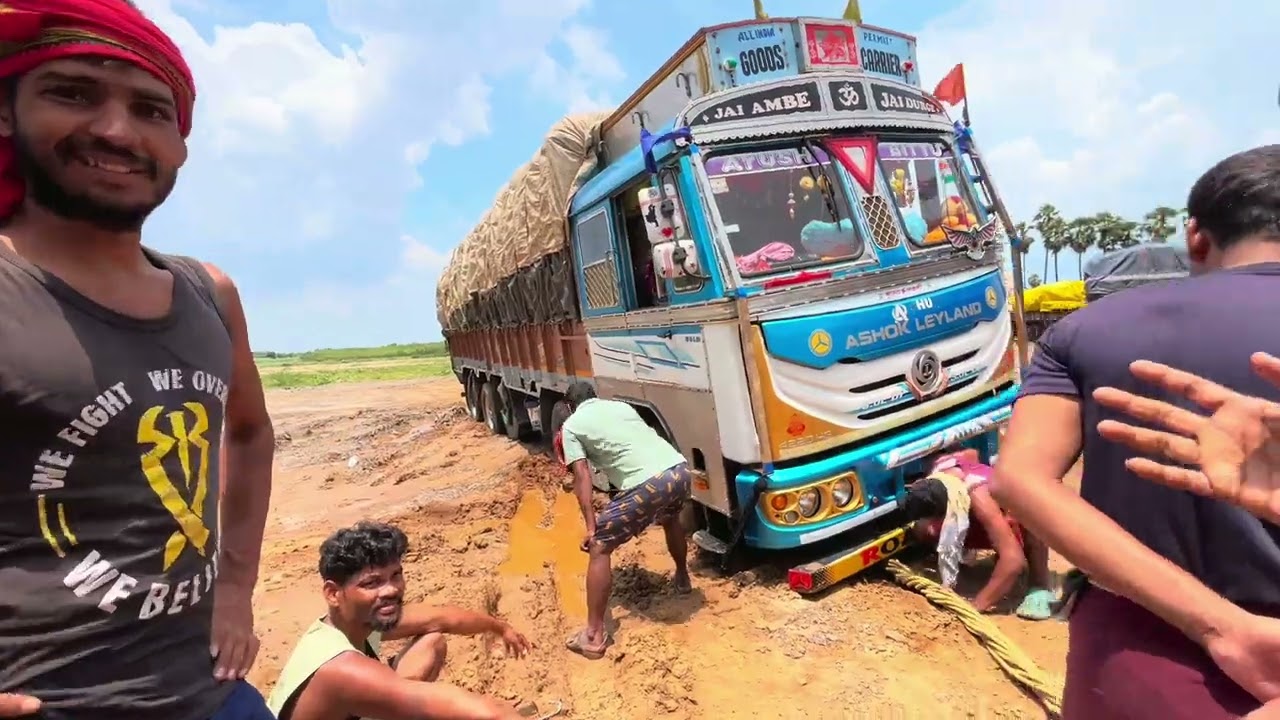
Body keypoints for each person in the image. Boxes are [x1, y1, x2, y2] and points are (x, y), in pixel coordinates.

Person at [0, 2, 275, 718]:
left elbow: (249, 433)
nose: (118, 131)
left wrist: (236, 587)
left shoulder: (210, 294)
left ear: (179, 143)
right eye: (73, 93)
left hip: (215, 693)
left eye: (150, 109)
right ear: (6, 113)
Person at [991, 144, 1280, 719]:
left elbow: (1019, 479)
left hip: (1135, 657)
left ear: (1196, 236)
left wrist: (1221, 627)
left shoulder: (1085, 330)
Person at [267, 522, 532, 720]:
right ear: (333, 594)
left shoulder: (352, 622)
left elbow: (443, 617)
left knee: (432, 641)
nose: (391, 590)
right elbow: (490, 714)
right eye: (372, 583)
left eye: (395, 575)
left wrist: (500, 627)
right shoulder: (341, 669)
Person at [556, 381, 693, 660]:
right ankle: (682, 579)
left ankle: (594, 636)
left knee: (599, 546)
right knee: (670, 518)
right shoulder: (621, 407)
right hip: (678, 471)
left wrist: (591, 527)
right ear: (594, 397)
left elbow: (582, 476)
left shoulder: (571, 426)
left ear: (570, 406)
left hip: (649, 484)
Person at [902, 447, 1055, 618]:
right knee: (924, 529)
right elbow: (971, 453)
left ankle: (1039, 585)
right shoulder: (939, 474)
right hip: (984, 513)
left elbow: (1013, 560)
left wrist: (975, 607)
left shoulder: (979, 498)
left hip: (1022, 510)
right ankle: (982, 555)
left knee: (1027, 519)